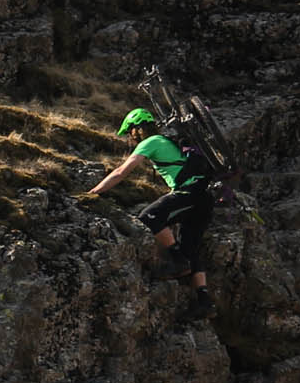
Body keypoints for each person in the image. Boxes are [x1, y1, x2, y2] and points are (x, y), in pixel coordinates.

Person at [86, 106, 216, 307]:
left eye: (130, 131)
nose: (130, 136)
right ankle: (204, 301)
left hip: (189, 194)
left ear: (136, 128)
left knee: (148, 216)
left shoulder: (151, 142)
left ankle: (177, 261)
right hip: (205, 197)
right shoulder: (167, 141)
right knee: (190, 247)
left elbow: (121, 171)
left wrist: (94, 192)